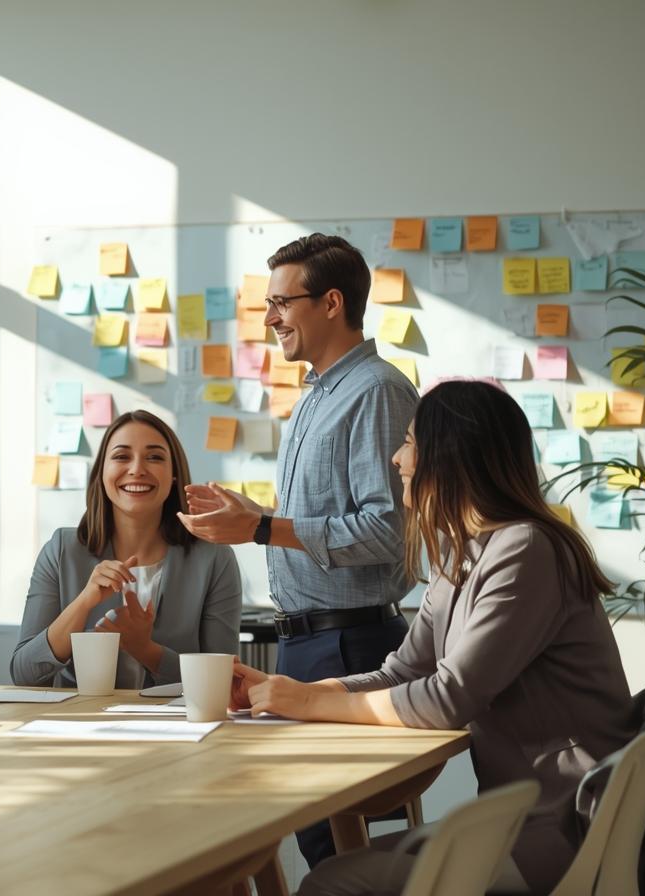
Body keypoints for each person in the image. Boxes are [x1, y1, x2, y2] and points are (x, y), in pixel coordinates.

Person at [226, 381, 634, 896]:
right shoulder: (465, 553)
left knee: (332, 882)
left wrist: (308, 701)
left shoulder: (525, 550)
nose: (398, 459)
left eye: (410, 443)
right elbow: (399, 672)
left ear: (452, 456)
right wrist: (284, 693)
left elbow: (448, 699)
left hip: (563, 822)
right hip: (524, 814)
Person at [178, 233, 419, 866]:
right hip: (306, 640)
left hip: (352, 643)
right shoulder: (318, 393)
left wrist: (262, 529)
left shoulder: (375, 391)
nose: (270, 318)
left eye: (282, 302)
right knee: (316, 838)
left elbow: (385, 531)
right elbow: (326, 522)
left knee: (349, 848)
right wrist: (254, 515)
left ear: (332, 302)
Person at [12, 411, 241, 689]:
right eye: (121, 457)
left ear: (173, 476)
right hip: (81, 724)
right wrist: (84, 601)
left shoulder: (214, 558)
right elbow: (24, 673)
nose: (137, 469)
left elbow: (224, 680)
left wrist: (144, 649)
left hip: (178, 727)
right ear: (102, 473)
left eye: (154, 457)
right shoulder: (62, 550)